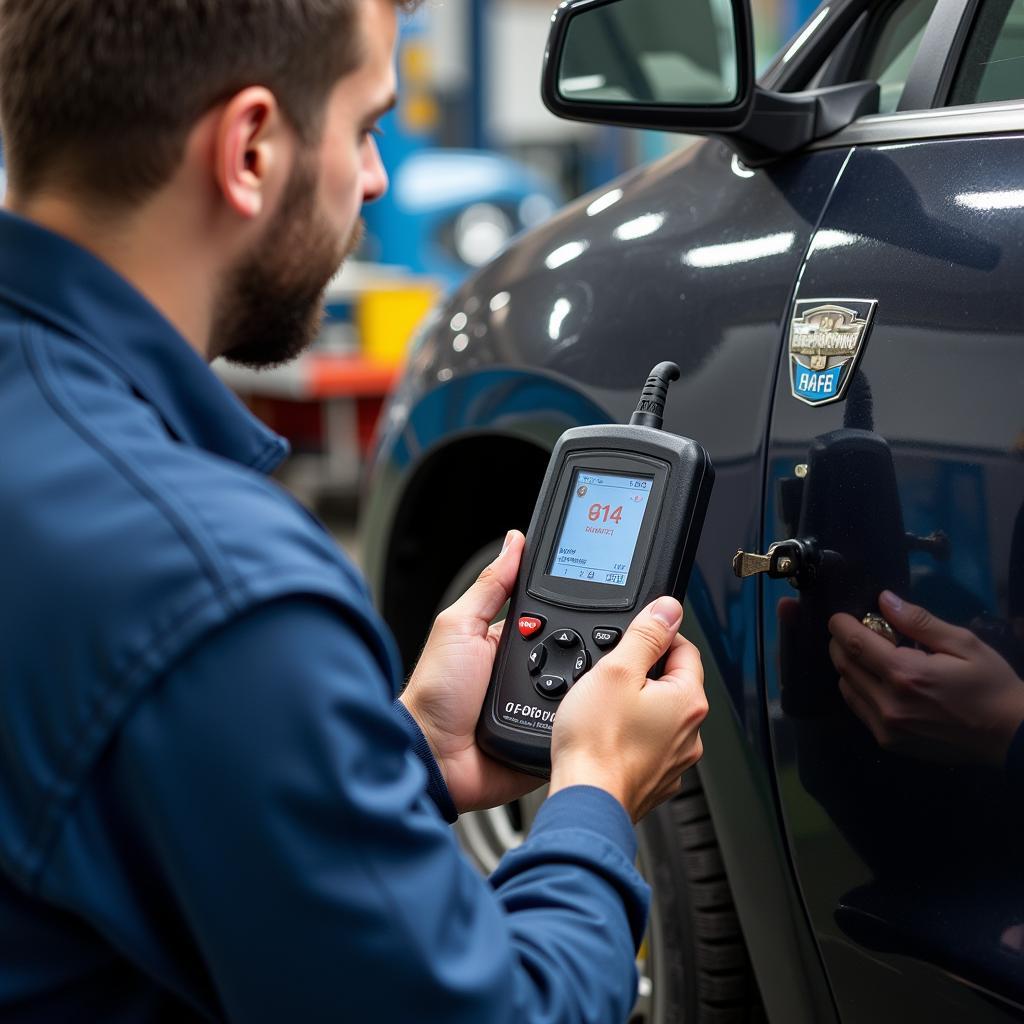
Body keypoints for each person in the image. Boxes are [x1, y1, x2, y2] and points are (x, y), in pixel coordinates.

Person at [0, 2, 709, 1021]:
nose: (375, 178)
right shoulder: (220, 591)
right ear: (249, 148)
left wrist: (404, 750)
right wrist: (593, 799)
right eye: (368, 125)